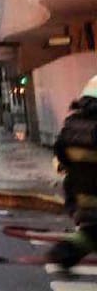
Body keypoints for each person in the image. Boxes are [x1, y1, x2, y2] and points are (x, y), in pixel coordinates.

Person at [48, 78, 97, 269]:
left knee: (90, 234)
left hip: (79, 200)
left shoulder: (70, 125)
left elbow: (61, 159)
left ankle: (67, 251)